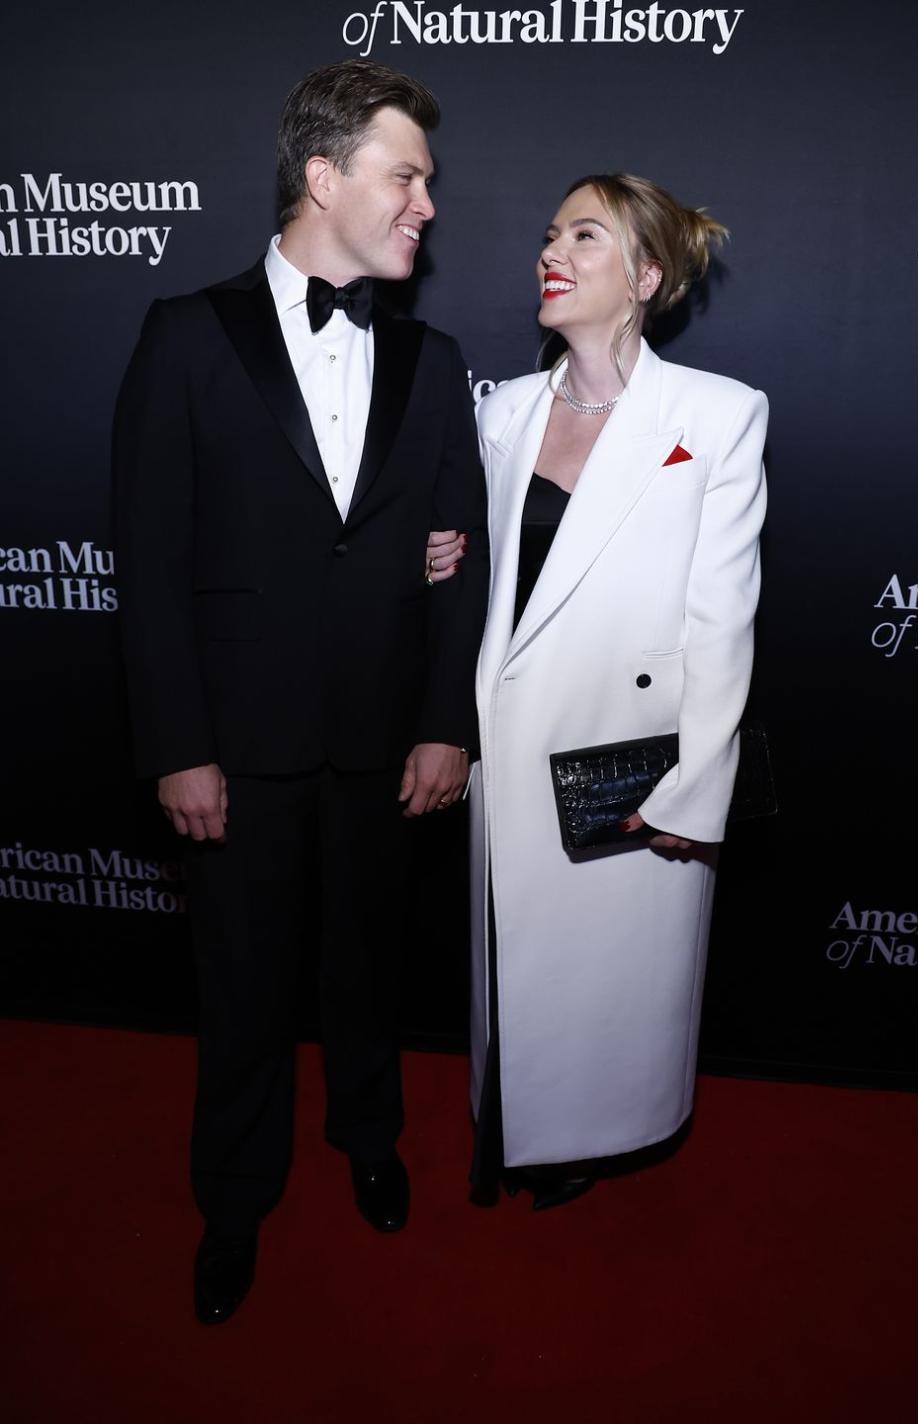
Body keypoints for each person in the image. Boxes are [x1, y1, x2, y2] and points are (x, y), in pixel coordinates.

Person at [112, 59, 488, 1323]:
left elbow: (459, 562)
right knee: (242, 981)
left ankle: (369, 1137)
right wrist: (179, 744)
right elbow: (151, 562)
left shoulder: (434, 362)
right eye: (407, 176)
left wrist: (446, 721)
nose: (427, 203)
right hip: (237, 745)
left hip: (384, 744)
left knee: (369, 966)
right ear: (323, 178)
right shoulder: (185, 334)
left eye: (427, 181)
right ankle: (233, 1197)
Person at [468, 174, 767, 1209]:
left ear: (644, 275)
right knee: (518, 980)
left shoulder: (718, 415)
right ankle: (515, 1128)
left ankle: (590, 1135)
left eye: (584, 236)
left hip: (628, 768)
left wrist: (695, 791)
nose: (552, 251)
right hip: (506, 757)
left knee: (609, 997)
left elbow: (720, 621)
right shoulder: (499, 411)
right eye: (550, 233)